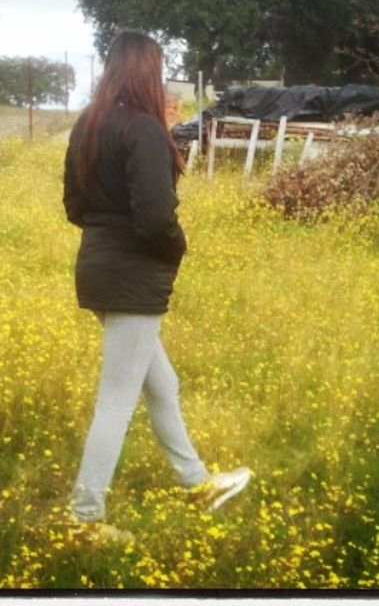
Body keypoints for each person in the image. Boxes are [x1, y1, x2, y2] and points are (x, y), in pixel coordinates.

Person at [63, 30, 251, 544]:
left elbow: (75, 208)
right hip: (132, 274)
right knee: (117, 399)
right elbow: (154, 219)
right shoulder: (143, 128)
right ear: (148, 71)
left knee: (162, 384)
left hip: (99, 266)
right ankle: (83, 518)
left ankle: (197, 484)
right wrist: (176, 248)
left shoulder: (89, 124)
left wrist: (113, 233)